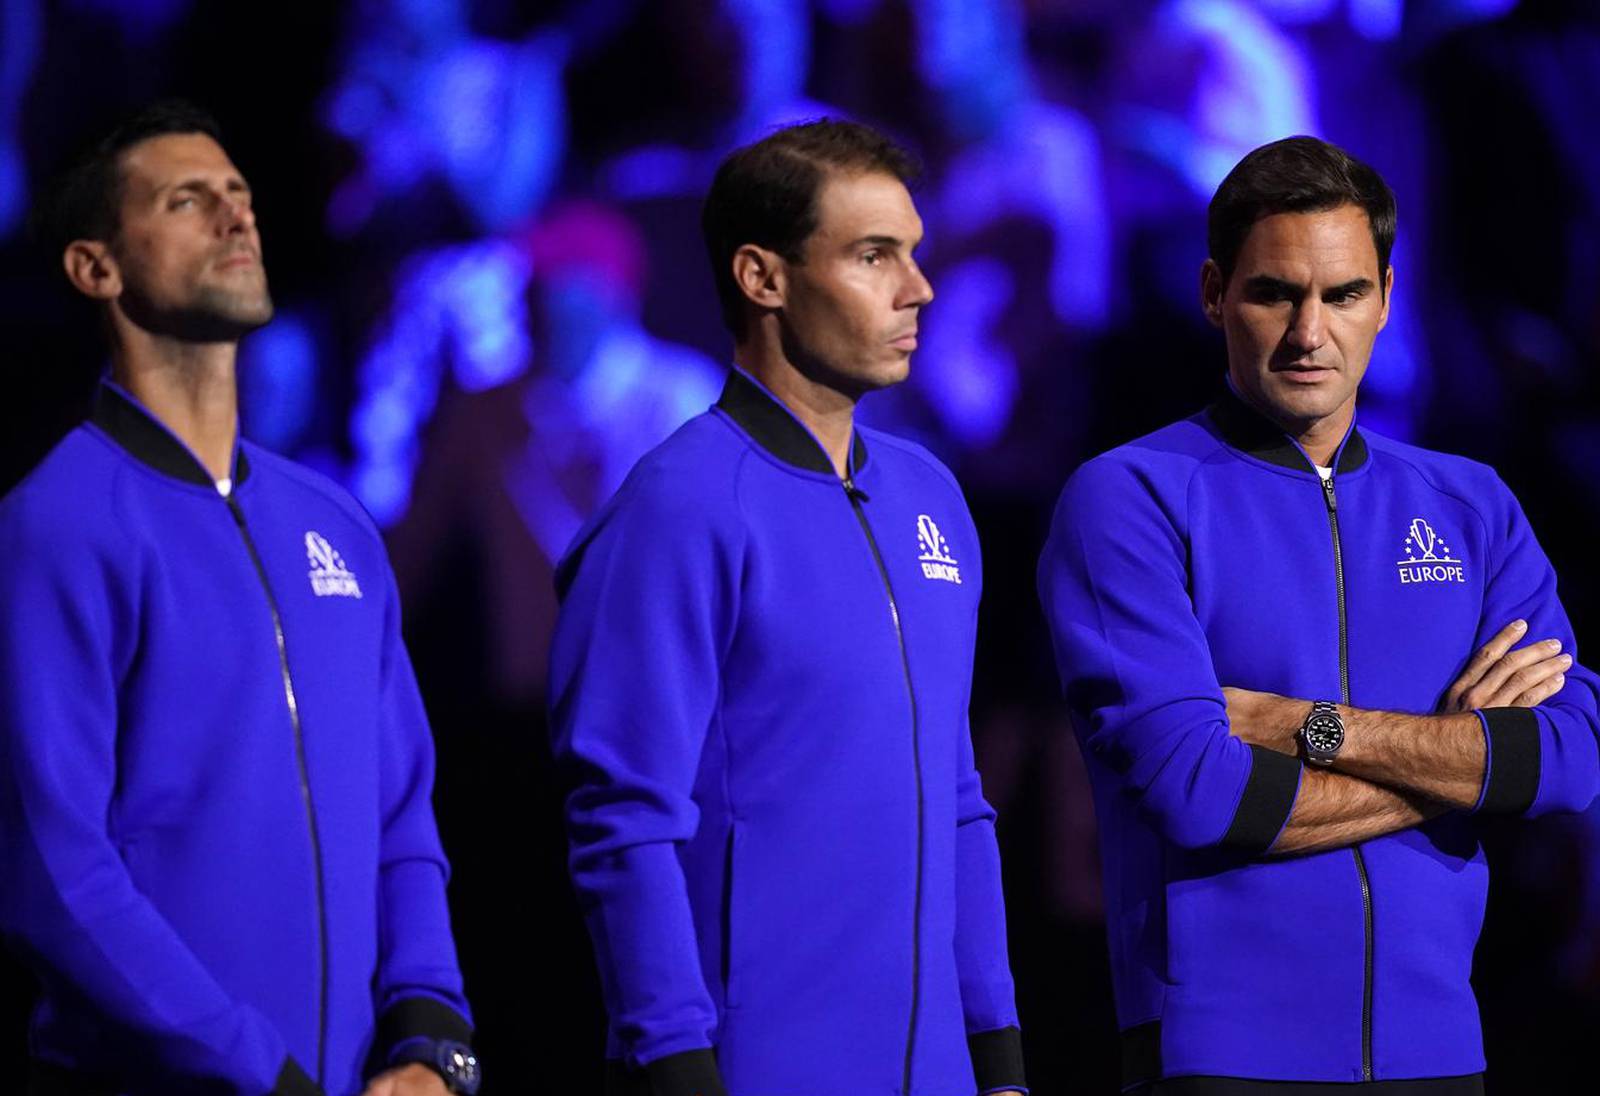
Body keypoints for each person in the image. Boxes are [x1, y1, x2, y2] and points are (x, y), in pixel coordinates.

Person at [1038, 135, 1600, 1093]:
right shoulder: (1131, 497)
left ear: (1384, 295)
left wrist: (1304, 727)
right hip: (1220, 1060)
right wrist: (1463, 763)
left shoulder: (1470, 503)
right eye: (1273, 294)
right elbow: (1202, 793)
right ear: (1215, 293)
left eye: (1342, 294)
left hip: (1443, 1055)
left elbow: (1572, 759)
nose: (1310, 333)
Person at [0, 102, 477, 1096]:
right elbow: (55, 874)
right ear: (97, 267)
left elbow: (401, 821)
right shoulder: (55, 524)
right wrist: (260, 1074)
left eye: (241, 196)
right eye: (188, 200)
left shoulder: (335, 523)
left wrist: (432, 1035)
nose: (235, 217)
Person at [548, 120, 1027, 1096]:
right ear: (763, 278)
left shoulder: (932, 496)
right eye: (872, 255)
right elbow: (622, 818)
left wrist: (999, 1059)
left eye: (915, 253)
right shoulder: (679, 506)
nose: (918, 287)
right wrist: (678, 1068)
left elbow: (961, 803)